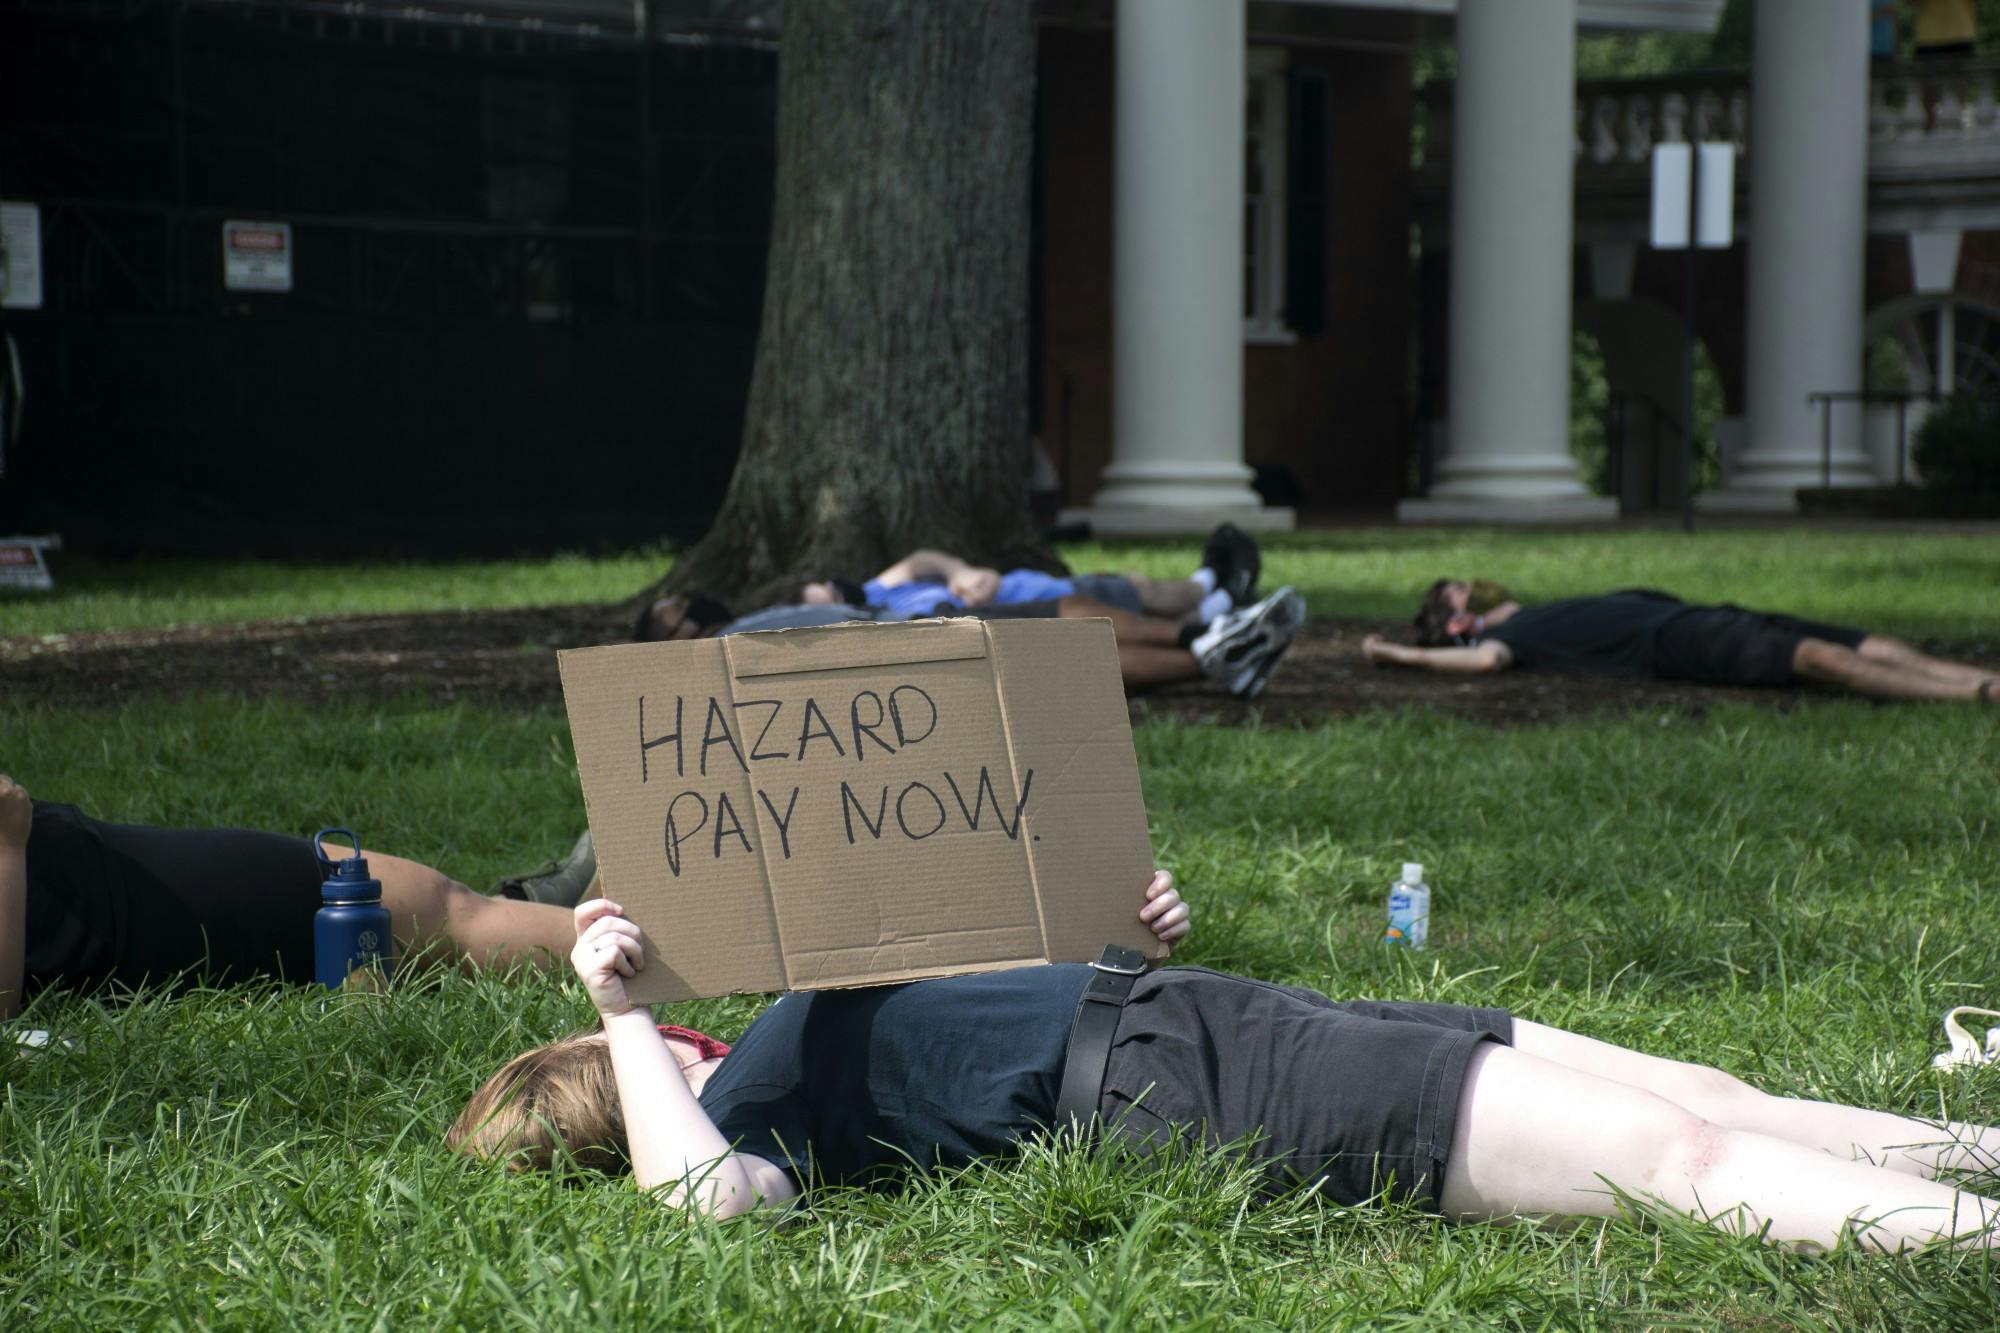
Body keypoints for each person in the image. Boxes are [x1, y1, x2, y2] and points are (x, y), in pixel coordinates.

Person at [452, 878, 2000, 1253]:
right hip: (1185, 1087)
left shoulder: (802, 1023)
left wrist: (1119, 920)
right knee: (1679, 1165)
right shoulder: (728, 1109)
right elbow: (708, 1207)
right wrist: (633, 1022)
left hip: (1212, 1017)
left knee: (1703, 1097)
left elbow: (1003, 986)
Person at [0, 773, 576, 1021]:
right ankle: (636, 936)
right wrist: (8, 844)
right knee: (444, 915)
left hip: (97, 869)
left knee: (442, 908)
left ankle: (539, 902)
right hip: (119, 916)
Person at [1361, 580, 1999, 703]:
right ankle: (1974, 695)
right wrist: (1399, 653)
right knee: (1819, 659)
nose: (1475, 588)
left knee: (1864, 642)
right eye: (1460, 595)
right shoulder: (1512, 639)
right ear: (1457, 625)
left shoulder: (1533, 612)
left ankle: (1978, 679)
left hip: (1702, 614)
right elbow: (1478, 667)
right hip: (1679, 641)